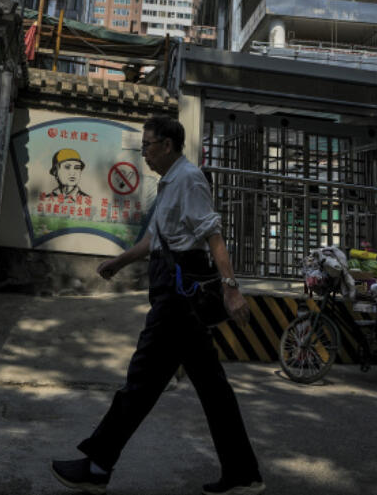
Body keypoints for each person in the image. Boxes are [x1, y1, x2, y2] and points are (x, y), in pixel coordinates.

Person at [50, 116, 264, 495]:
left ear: (167, 145)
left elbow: (212, 235)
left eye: (148, 145)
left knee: (142, 380)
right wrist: (120, 261)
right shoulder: (169, 182)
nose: (144, 153)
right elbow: (156, 238)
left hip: (180, 297)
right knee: (209, 389)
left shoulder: (189, 179)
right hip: (171, 285)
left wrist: (231, 290)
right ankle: (242, 474)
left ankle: (97, 466)